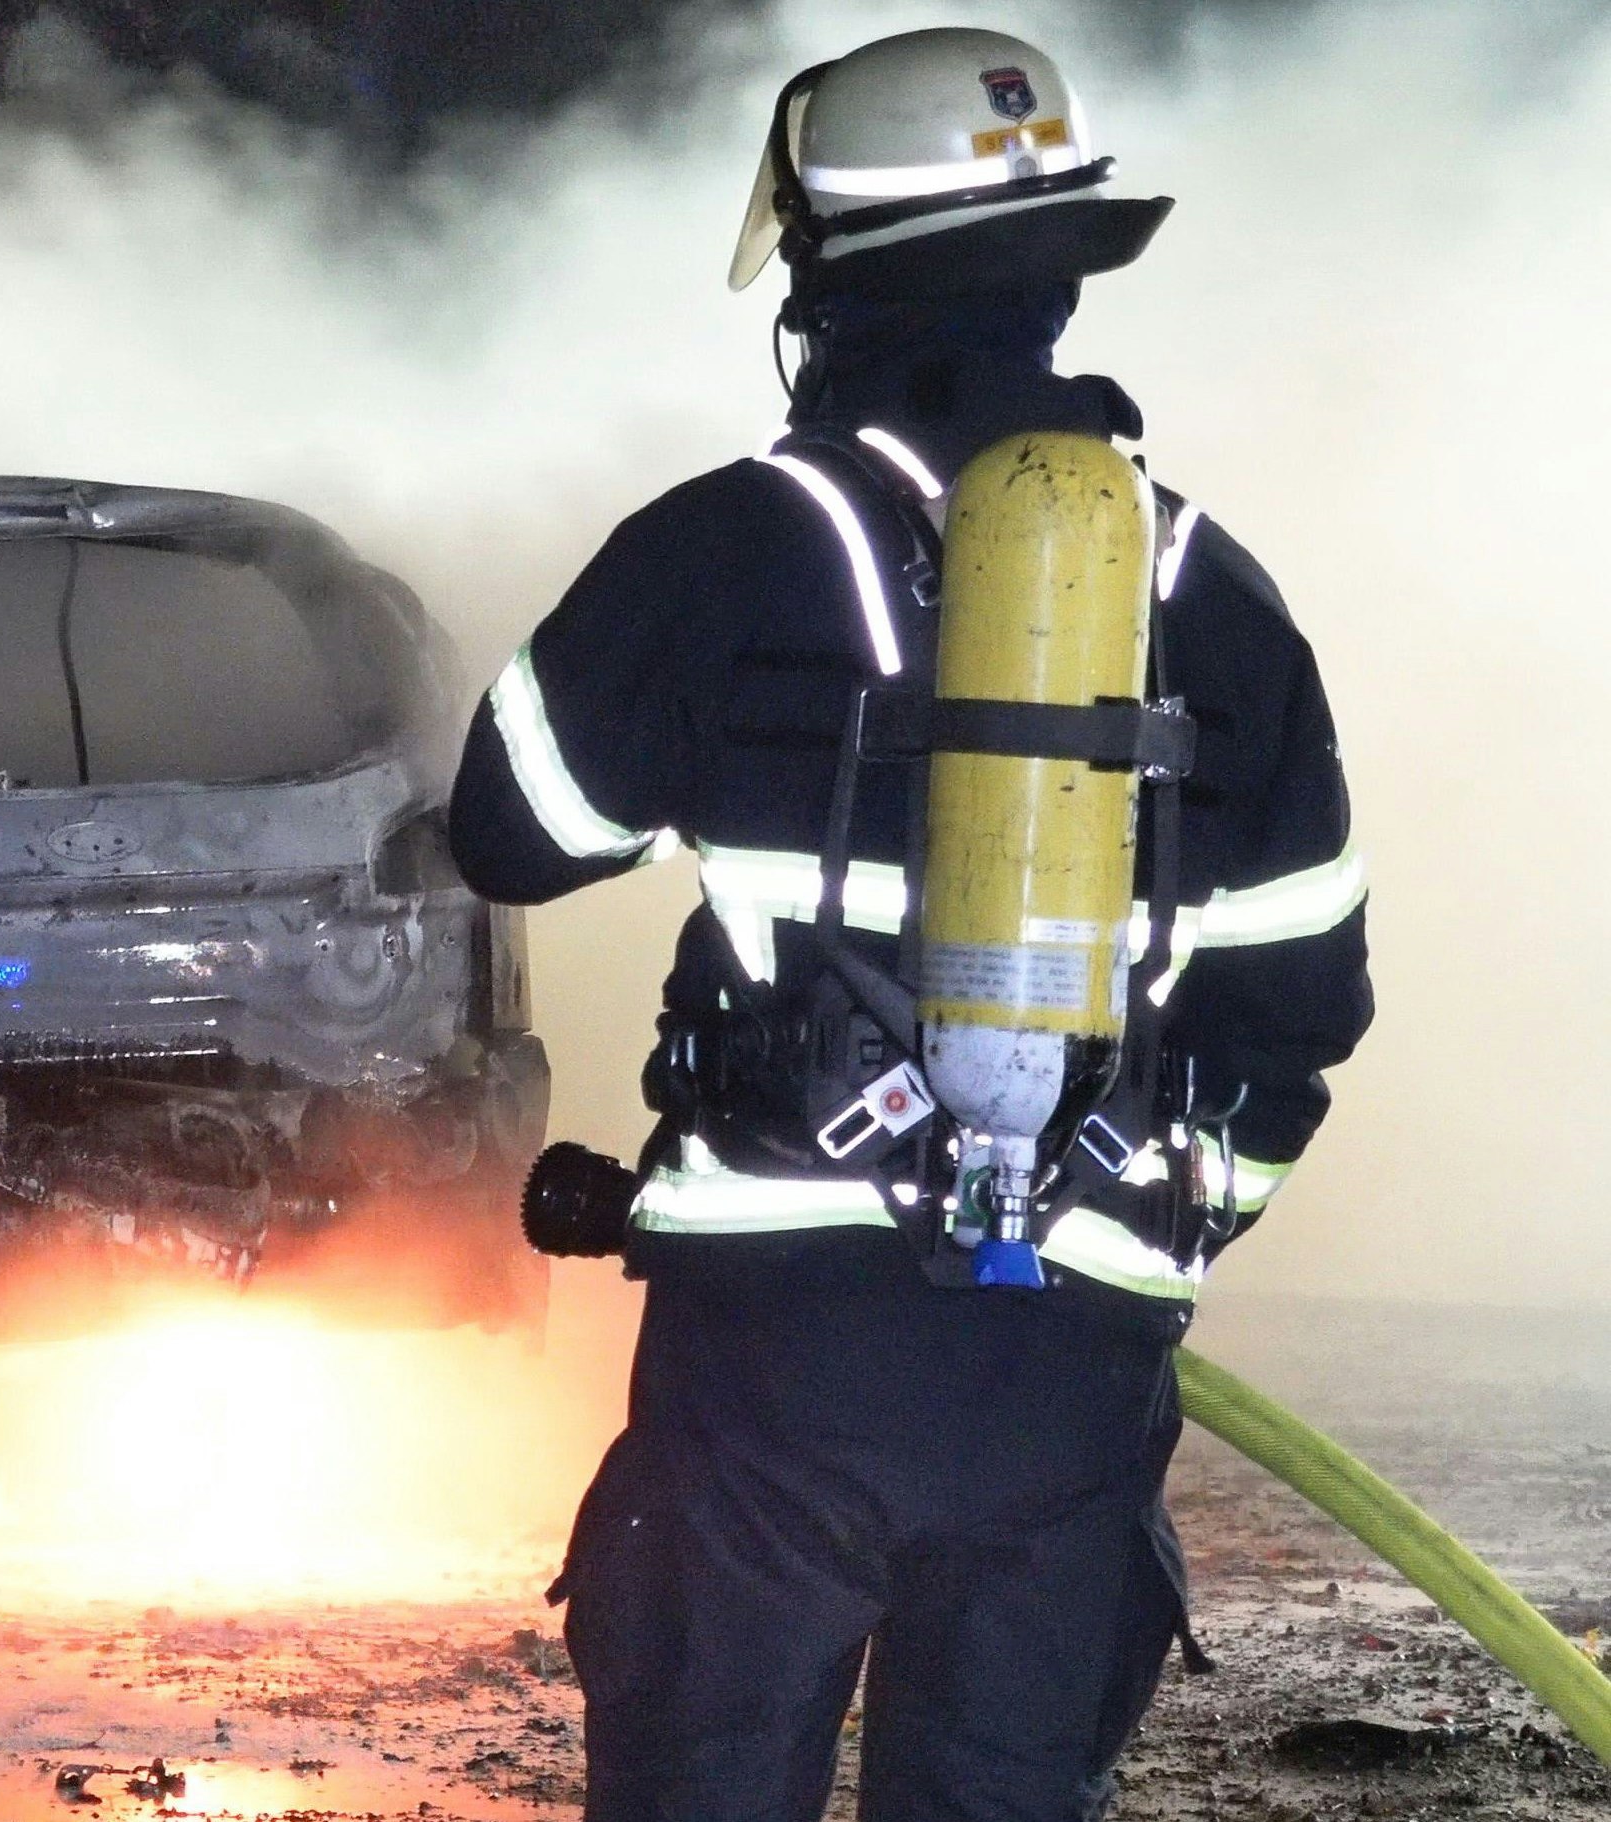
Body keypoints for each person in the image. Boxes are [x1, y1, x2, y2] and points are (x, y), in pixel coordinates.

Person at [446, 27, 1372, 1821]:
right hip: (1073, 1372)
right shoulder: (1214, 593)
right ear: (1060, 277)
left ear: (826, 284)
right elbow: (1305, 998)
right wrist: (1159, 1224)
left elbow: (513, 830)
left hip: (775, 1356)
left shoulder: (731, 546)